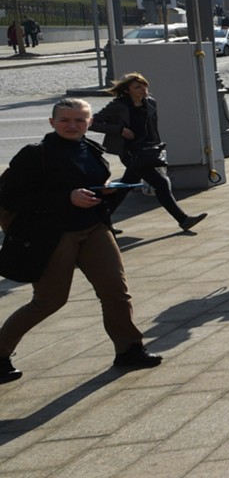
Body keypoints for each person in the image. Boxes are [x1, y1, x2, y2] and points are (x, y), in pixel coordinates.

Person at [0, 98, 163, 383]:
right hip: (52, 236)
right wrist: (66, 197)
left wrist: (104, 190)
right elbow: (9, 197)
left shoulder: (90, 148)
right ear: (52, 122)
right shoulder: (34, 154)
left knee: (116, 292)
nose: (72, 125)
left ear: (89, 123)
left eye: (80, 120)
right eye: (65, 120)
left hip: (94, 228)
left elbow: (88, 182)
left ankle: (129, 349)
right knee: (49, 301)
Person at [89, 73, 208, 233]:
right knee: (161, 183)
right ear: (127, 90)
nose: (143, 89)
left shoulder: (150, 103)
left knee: (125, 185)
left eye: (145, 85)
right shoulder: (119, 105)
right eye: (138, 87)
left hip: (147, 151)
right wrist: (120, 130)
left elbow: (152, 129)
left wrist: (158, 147)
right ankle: (183, 219)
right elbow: (92, 123)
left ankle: (100, 221)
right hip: (129, 152)